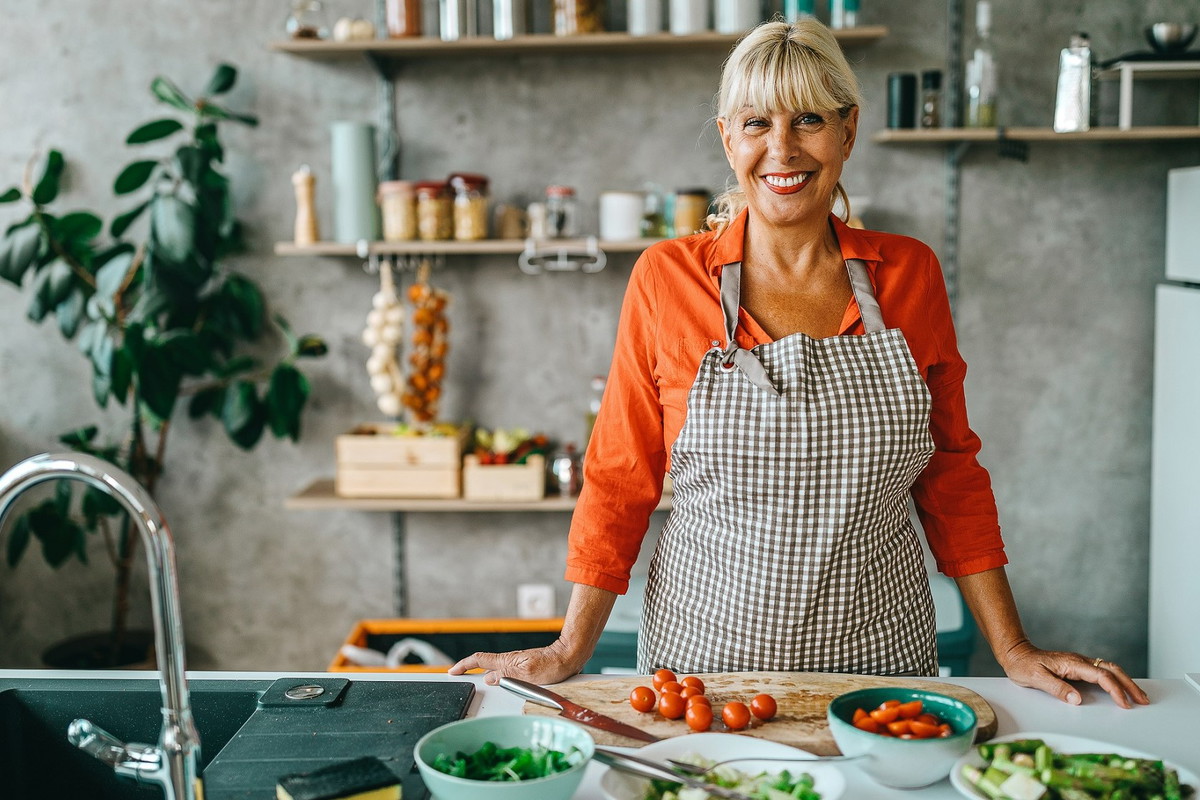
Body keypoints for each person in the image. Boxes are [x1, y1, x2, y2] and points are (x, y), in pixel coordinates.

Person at [450, 19, 1148, 708]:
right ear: (728, 138)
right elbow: (621, 476)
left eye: (808, 119)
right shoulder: (668, 278)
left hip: (880, 664)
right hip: (703, 667)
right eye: (756, 123)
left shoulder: (909, 274)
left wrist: (1014, 648)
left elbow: (950, 471)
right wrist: (568, 648)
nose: (781, 150)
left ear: (847, 131)